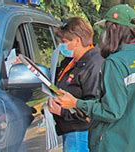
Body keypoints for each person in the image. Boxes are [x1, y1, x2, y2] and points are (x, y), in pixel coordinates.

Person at [53, 4, 135, 152]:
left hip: (115, 144)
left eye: (105, 29)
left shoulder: (115, 62)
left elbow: (111, 111)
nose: (102, 34)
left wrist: (76, 103)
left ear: (114, 29)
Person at [47, 17, 104, 152]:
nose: (61, 45)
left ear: (77, 40)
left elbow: (93, 107)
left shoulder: (94, 64)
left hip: (81, 131)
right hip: (70, 129)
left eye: (64, 42)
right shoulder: (72, 61)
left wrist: (62, 112)